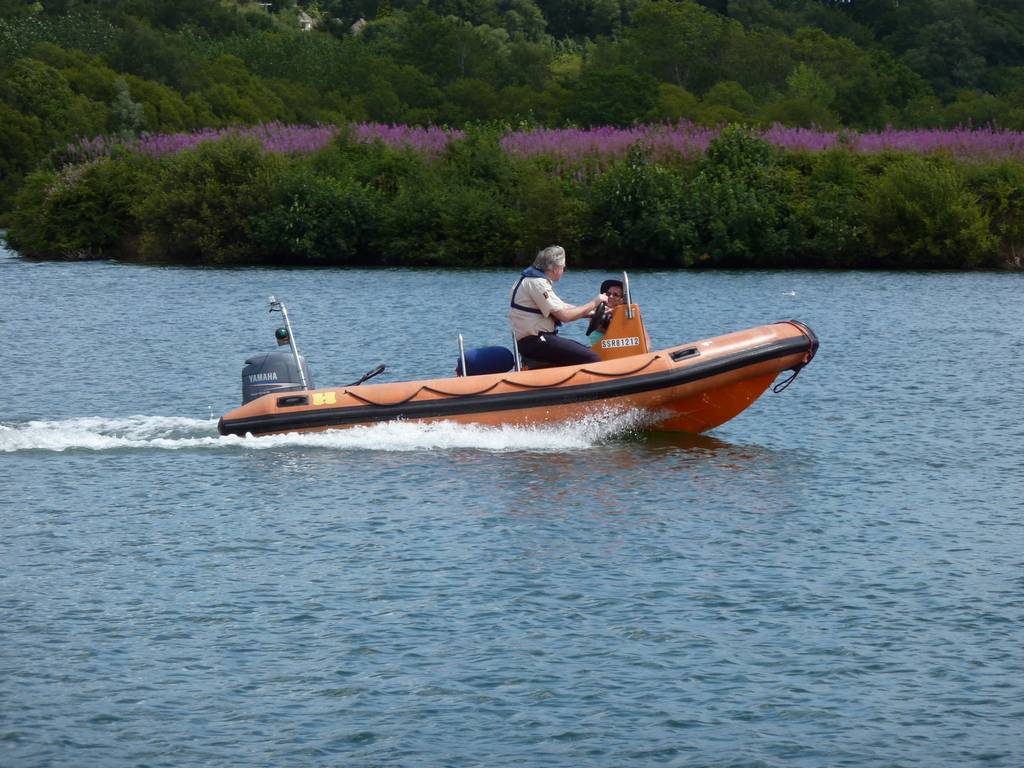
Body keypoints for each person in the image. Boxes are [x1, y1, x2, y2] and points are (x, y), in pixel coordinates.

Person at [509, 245, 606, 367]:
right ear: (555, 268)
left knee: (581, 352)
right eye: (564, 268)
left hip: (533, 342)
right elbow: (564, 316)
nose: (564, 272)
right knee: (592, 357)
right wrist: (594, 302)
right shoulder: (537, 283)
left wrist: (592, 313)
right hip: (536, 342)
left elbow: (562, 307)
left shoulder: (531, 280)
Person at [586, 279, 624, 346]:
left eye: (615, 295)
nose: (610, 296)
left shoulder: (627, 315)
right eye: (608, 293)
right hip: (595, 350)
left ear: (622, 299)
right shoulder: (598, 310)